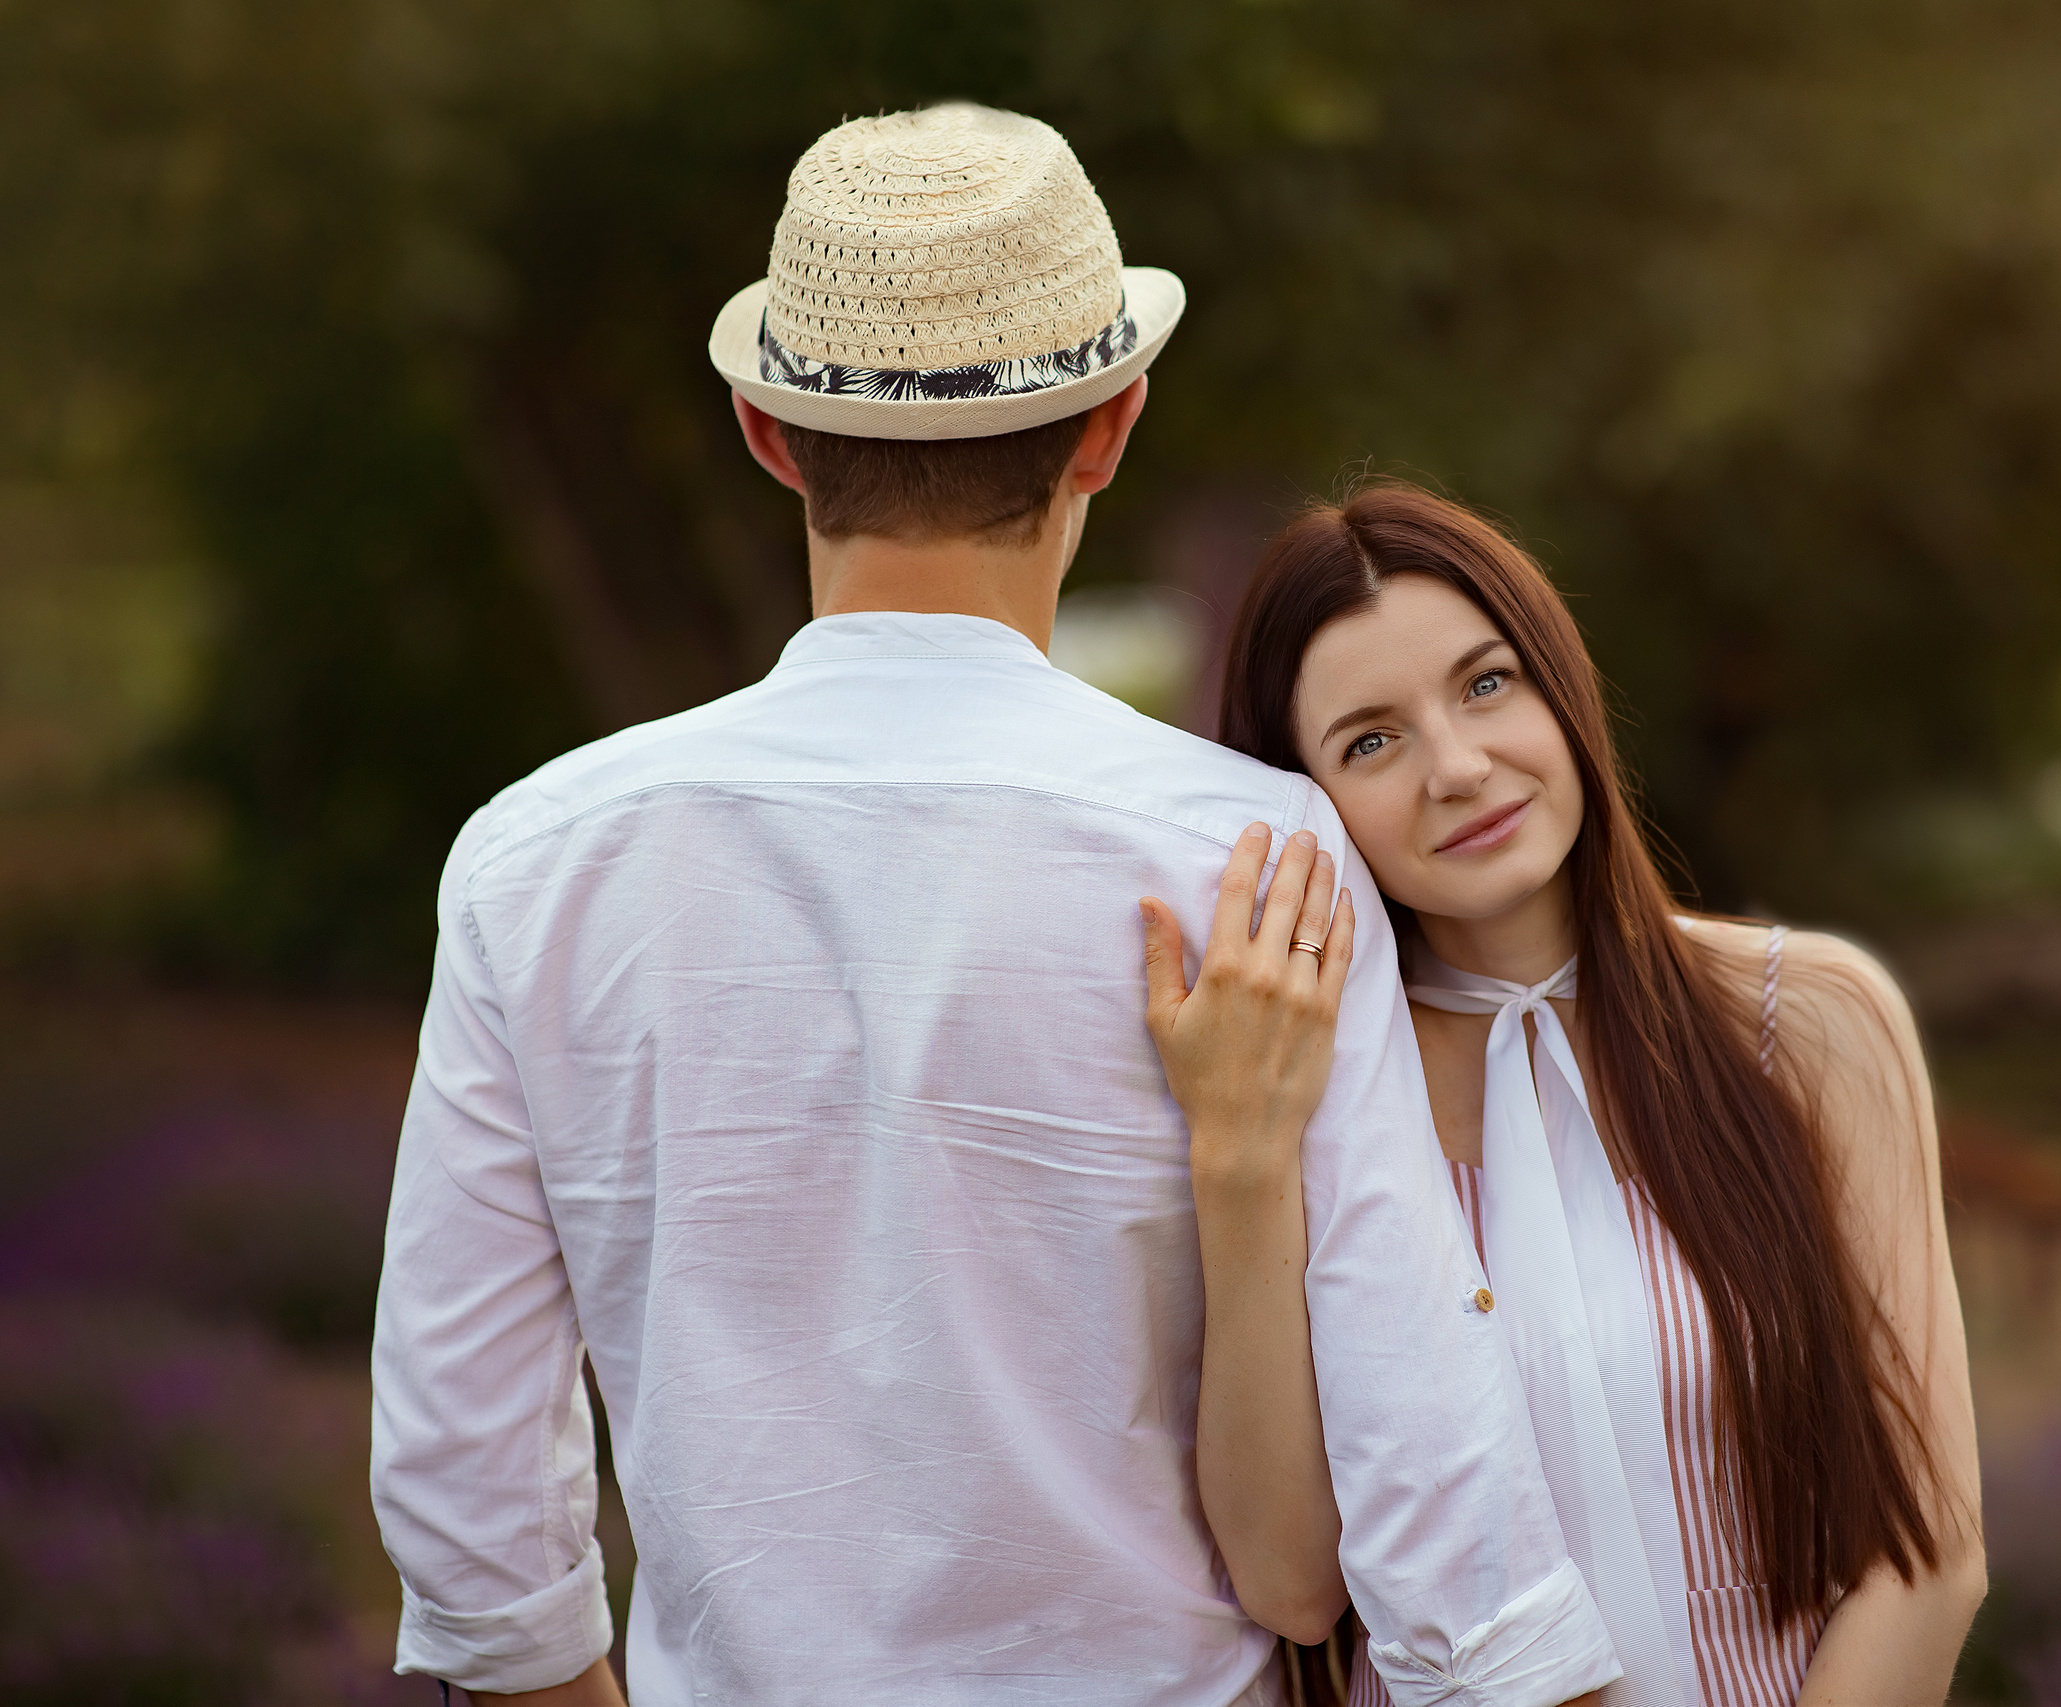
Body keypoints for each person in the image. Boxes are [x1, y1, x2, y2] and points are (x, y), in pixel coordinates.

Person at [370, 107, 1622, 1706]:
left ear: (765, 431)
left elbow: (464, 1485)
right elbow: (1435, 1484)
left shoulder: (536, 861)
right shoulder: (1251, 855)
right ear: (1111, 426)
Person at [1139, 483, 1987, 1706]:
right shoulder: (1309, 1090)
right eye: (1371, 741)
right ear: (1303, 801)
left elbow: (1929, 1553)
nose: (1460, 767)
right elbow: (1289, 1581)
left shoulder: (1807, 1022)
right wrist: (1241, 1154)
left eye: (1487, 685)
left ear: (1561, 686)